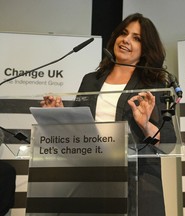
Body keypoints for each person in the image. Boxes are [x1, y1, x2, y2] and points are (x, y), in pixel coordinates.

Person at [40, 13, 176, 216]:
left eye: (136, 38)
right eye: (124, 33)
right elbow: (78, 137)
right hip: (94, 180)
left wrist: (145, 124)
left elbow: (169, 142)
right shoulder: (91, 81)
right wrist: (59, 117)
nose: (126, 40)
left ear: (145, 49)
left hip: (138, 183)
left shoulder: (154, 85)